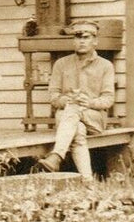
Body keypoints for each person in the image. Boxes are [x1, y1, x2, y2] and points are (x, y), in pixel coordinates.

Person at [36, 19, 116, 177]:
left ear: (95, 41)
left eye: (86, 37)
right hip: (67, 116)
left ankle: (57, 156)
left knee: (74, 113)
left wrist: (90, 102)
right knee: (78, 131)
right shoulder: (61, 64)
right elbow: (53, 96)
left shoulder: (105, 65)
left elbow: (108, 99)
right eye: (78, 37)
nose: (81, 41)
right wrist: (65, 100)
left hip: (94, 117)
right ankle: (88, 183)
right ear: (73, 41)